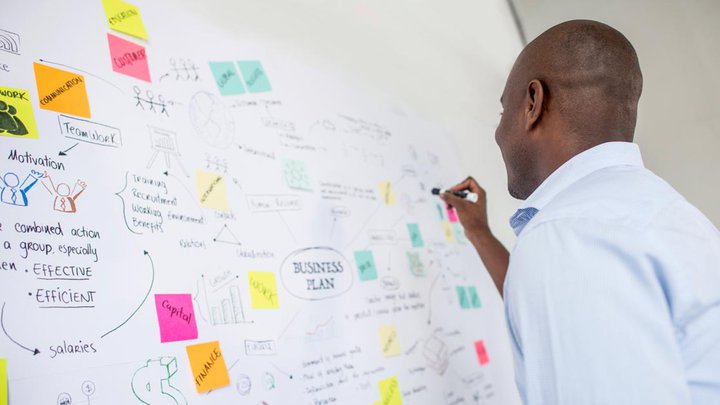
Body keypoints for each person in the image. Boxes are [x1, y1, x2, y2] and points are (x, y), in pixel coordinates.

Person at [441, 20, 720, 404]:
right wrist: (480, 233)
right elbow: (553, 310)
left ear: (533, 104)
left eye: (503, 111)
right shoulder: (642, 210)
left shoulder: (567, 237)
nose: (497, 133)